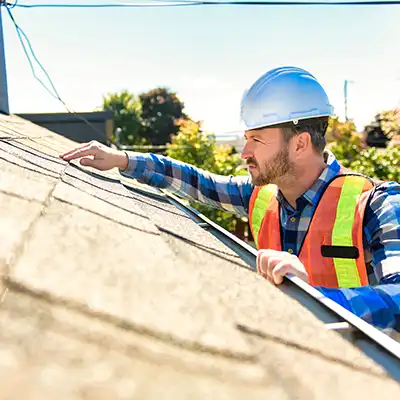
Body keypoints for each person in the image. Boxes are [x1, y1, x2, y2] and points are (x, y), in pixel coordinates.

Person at [60, 66, 400, 332]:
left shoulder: (377, 205)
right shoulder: (264, 197)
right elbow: (198, 181)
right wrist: (123, 160)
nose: (245, 152)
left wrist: (317, 298)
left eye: (256, 140)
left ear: (298, 144)